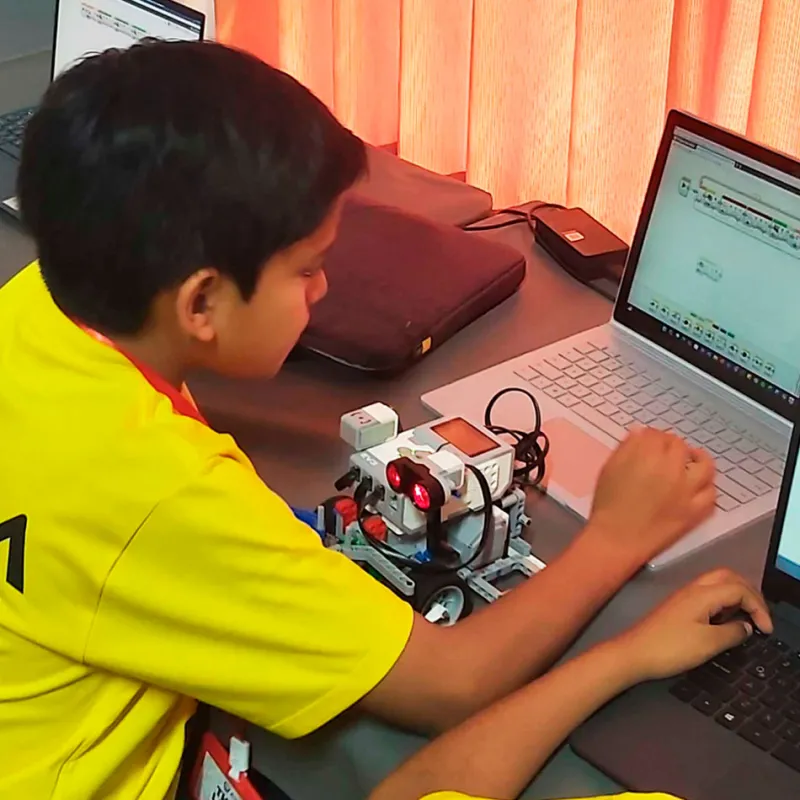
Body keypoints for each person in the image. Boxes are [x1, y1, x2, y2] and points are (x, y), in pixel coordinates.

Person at [0, 38, 769, 800]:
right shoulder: (163, 492)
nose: (324, 289)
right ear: (200, 302)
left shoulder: (32, 307)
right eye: (306, 268)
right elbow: (450, 684)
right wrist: (616, 538)